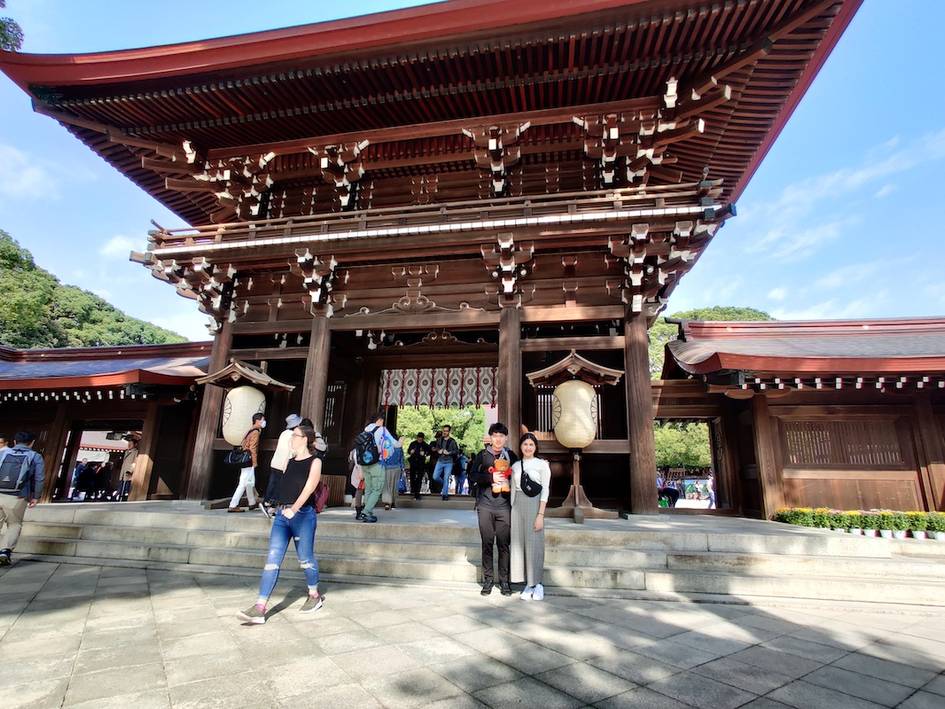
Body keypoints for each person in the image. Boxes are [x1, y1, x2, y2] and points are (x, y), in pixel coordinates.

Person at [237, 425, 325, 624]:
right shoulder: (289, 460)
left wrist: (294, 509)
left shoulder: (315, 461)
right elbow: (284, 485)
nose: (291, 438)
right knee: (272, 559)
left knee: (305, 558)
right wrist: (275, 506)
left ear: (305, 439)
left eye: (295, 435)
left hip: (303, 514)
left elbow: (310, 487)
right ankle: (260, 606)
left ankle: (314, 595)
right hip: (282, 516)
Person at [468, 422, 518, 596]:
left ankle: (504, 580)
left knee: (504, 544)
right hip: (485, 505)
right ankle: (488, 579)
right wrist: (490, 477)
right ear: (491, 437)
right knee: (487, 542)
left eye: (501, 436)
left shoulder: (511, 455)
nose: (498, 439)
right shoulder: (483, 455)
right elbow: (472, 475)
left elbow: (520, 473)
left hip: (505, 505)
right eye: (495, 435)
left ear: (506, 438)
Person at [510, 433, 552, 601]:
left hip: (535, 504)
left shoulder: (542, 465)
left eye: (531, 445)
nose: (528, 447)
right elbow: (512, 488)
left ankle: (538, 583)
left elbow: (545, 489)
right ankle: (528, 583)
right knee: (519, 543)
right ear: (520, 446)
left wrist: (541, 514)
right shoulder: (515, 466)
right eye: (525, 444)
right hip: (517, 505)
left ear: (535, 447)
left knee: (535, 543)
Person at [0, 431, 46, 565]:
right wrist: (36, 496)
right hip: (18, 496)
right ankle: (4, 551)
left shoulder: (2, 453)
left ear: (14, 442)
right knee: (14, 524)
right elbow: (39, 478)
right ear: (32, 443)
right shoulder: (35, 456)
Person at [263, 413, 302, 518]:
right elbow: (292, 450)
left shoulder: (283, 433)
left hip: (275, 462)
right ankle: (273, 507)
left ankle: (267, 501)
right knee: (280, 487)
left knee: (272, 483)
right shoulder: (293, 435)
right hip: (284, 464)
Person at [359, 412, 393, 523]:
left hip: (365, 463)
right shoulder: (382, 430)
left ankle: (367, 512)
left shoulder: (366, 430)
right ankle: (366, 512)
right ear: (380, 420)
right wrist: (400, 442)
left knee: (368, 489)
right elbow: (394, 444)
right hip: (377, 463)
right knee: (377, 489)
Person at [228, 412, 264, 513]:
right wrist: (254, 462)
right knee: (243, 483)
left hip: (244, 458)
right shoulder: (256, 432)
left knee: (249, 481)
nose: (263, 422)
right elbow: (253, 448)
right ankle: (233, 504)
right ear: (258, 420)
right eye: (262, 420)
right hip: (249, 459)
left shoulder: (249, 430)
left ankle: (252, 502)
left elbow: (244, 443)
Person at [432, 425, 459, 501]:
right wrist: (438, 450)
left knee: (446, 478)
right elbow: (437, 447)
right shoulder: (439, 440)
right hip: (440, 461)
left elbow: (456, 451)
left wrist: (449, 452)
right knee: (435, 477)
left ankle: (445, 495)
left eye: (446, 431)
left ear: (449, 432)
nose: (445, 432)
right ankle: (445, 484)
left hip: (449, 462)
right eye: (444, 430)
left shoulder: (453, 441)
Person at [407, 432, 431, 500]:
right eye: (419, 437)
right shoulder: (413, 443)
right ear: (417, 437)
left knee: (419, 478)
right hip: (413, 462)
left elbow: (429, 452)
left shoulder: (425, 445)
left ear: (423, 438)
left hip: (421, 463)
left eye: (421, 438)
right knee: (412, 477)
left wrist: (425, 453)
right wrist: (410, 451)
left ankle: (417, 493)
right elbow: (408, 451)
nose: (420, 439)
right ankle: (412, 491)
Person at [382, 435, 403, 511]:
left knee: (387, 486)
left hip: (387, 468)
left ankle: (387, 503)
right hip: (397, 468)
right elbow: (401, 458)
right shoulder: (399, 446)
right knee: (395, 485)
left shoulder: (386, 446)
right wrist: (402, 468)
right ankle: (393, 501)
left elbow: (383, 458)